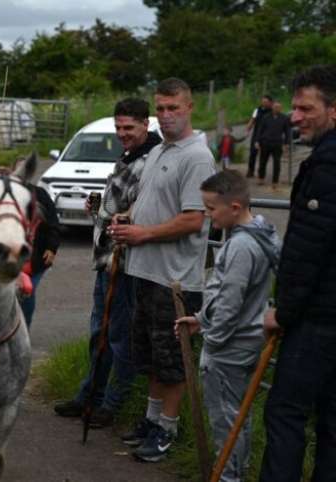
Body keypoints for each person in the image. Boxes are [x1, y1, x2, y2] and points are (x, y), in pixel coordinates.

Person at [109, 78, 216, 462]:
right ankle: (152, 421)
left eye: (173, 108)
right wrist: (126, 219)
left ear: (189, 108)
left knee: (172, 359)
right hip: (146, 271)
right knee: (151, 355)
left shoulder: (197, 156)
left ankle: (167, 429)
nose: (166, 116)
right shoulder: (157, 152)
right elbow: (148, 202)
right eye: (161, 108)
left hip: (176, 279)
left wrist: (143, 233)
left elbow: (193, 220)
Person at [54, 98, 162, 427]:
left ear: (146, 124)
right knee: (98, 333)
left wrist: (119, 228)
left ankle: (113, 404)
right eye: (118, 127)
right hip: (105, 259)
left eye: (129, 127)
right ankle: (90, 395)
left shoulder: (152, 160)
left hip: (125, 262)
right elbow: (120, 202)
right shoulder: (129, 156)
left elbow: (142, 211)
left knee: (119, 336)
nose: (122, 133)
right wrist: (98, 208)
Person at [175, 170, 280, 482]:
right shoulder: (262, 233)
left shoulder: (240, 247)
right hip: (246, 338)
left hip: (229, 347)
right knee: (237, 413)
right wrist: (202, 319)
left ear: (234, 207)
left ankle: (228, 476)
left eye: (211, 209)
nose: (208, 216)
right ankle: (236, 470)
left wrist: (214, 341)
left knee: (225, 418)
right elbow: (226, 299)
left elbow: (230, 300)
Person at [260, 64, 336, 482]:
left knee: (286, 411)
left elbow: (309, 250)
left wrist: (283, 313)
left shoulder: (327, 165)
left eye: (306, 108)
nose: (295, 117)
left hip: (319, 319)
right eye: (294, 108)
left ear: (334, 110)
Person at [14, 157, 60, 329]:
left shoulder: (40, 194)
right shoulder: (4, 195)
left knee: (27, 292)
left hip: (35, 258)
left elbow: (53, 224)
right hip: (9, 258)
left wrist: (51, 248)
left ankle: (23, 329)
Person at [255, 101, 292, 188]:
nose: (277, 109)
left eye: (278, 107)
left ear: (281, 108)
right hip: (265, 142)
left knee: (277, 163)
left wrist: (287, 143)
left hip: (277, 143)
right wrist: (257, 141)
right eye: (275, 107)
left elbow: (287, 132)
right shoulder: (266, 117)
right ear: (272, 107)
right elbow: (260, 130)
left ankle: (275, 181)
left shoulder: (284, 118)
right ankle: (261, 178)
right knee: (262, 162)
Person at [245, 95, 273, 178]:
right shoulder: (257, 110)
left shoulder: (272, 111)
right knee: (253, 153)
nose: (264, 103)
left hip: (266, 135)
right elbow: (252, 120)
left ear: (270, 103)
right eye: (263, 101)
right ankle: (250, 170)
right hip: (256, 134)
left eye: (266, 102)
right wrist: (248, 129)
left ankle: (261, 173)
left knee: (263, 155)